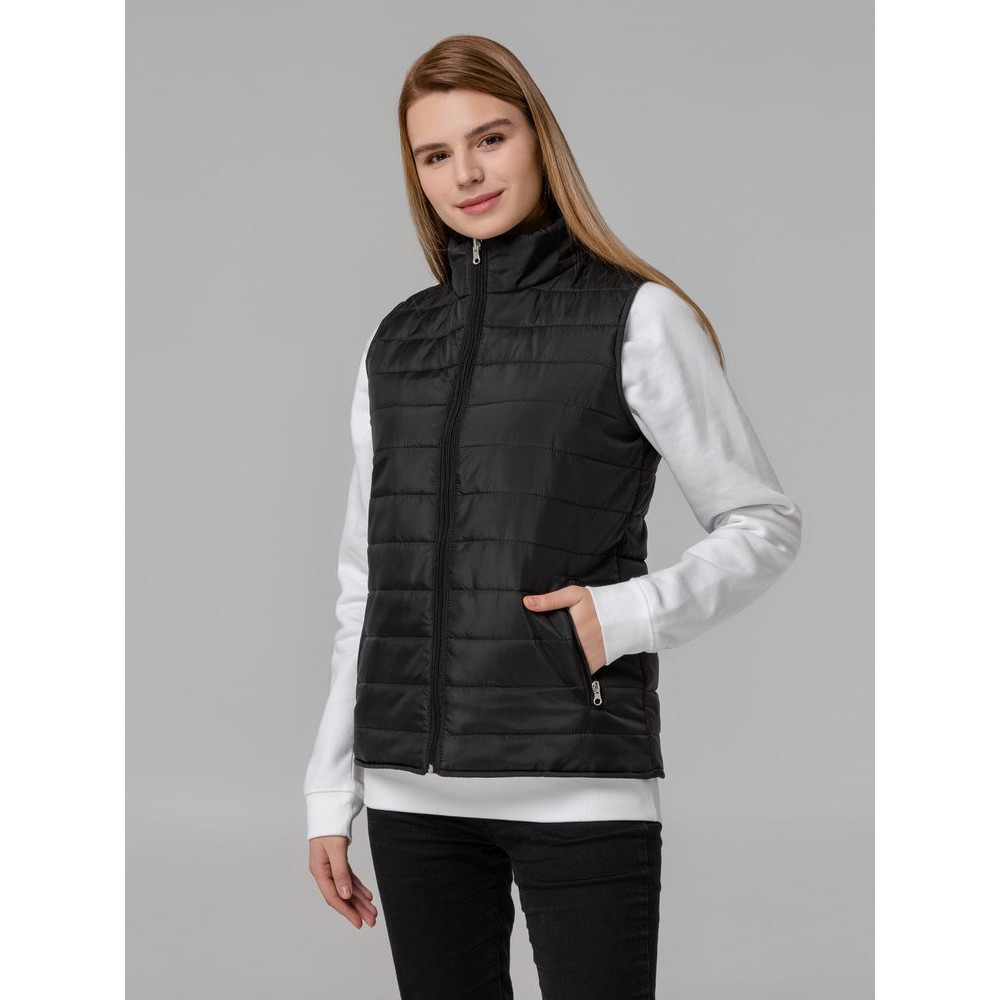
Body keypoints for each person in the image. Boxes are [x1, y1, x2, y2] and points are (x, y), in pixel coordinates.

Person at [304, 34, 802, 1000]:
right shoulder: (395, 342)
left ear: (539, 139)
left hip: (578, 781)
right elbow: (366, 583)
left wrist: (625, 616)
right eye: (435, 154)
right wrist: (332, 788)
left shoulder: (637, 316)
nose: (466, 173)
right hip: (412, 799)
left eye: (489, 138)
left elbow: (762, 521)